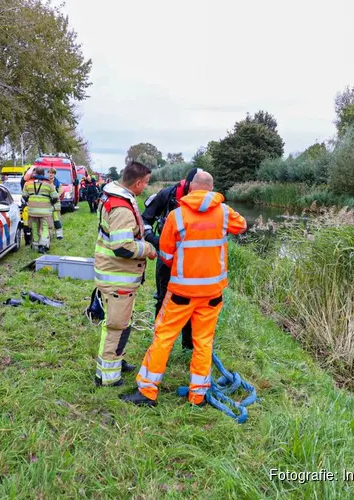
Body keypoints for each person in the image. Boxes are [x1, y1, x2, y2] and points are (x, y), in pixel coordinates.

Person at [121, 171, 247, 407]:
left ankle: (147, 392)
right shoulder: (224, 213)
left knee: (164, 337)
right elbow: (241, 225)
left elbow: (166, 256)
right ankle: (197, 395)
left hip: (182, 293)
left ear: (190, 188)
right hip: (212, 293)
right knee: (203, 342)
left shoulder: (177, 216)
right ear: (211, 189)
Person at [93, 160, 157, 387]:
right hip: (117, 277)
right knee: (116, 326)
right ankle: (109, 378)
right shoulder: (121, 208)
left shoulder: (118, 199)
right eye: (146, 183)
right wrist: (148, 249)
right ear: (138, 183)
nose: (146, 187)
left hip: (115, 275)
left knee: (120, 323)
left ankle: (114, 362)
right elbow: (122, 247)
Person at [141, 168, 200, 350]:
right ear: (189, 184)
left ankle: (187, 345)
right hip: (166, 257)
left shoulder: (204, 201)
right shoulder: (167, 195)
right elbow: (144, 221)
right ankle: (159, 340)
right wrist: (156, 241)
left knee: (190, 301)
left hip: (192, 261)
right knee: (163, 297)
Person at [22, 166, 59, 253]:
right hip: (45, 211)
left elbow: (24, 196)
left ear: (35, 173)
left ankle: (35, 246)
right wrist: (50, 203)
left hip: (32, 211)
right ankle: (43, 246)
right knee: (45, 228)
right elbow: (55, 197)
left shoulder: (27, 183)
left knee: (34, 227)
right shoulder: (49, 184)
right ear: (43, 174)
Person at [47, 167, 64, 240]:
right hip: (48, 203)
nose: (50, 174)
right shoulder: (45, 181)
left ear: (54, 174)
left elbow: (60, 192)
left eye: (52, 173)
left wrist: (55, 196)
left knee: (57, 220)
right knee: (48, 220)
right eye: (49, 173)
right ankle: (50, 235)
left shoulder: (58, 183)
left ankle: (59, 235)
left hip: (56, 204)